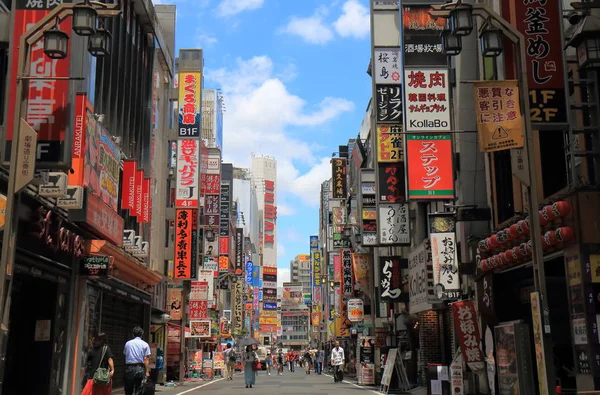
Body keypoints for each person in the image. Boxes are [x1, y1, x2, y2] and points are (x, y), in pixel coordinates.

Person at [123, 326, 151, 395]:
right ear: (142, 334)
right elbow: (146, 359)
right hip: (139, 368)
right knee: (139, 389)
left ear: (133, 334)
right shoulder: (145, 344)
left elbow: (125, 354)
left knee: (128, 389)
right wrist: (147, 371)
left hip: (129, 368)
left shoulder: (128, 343)